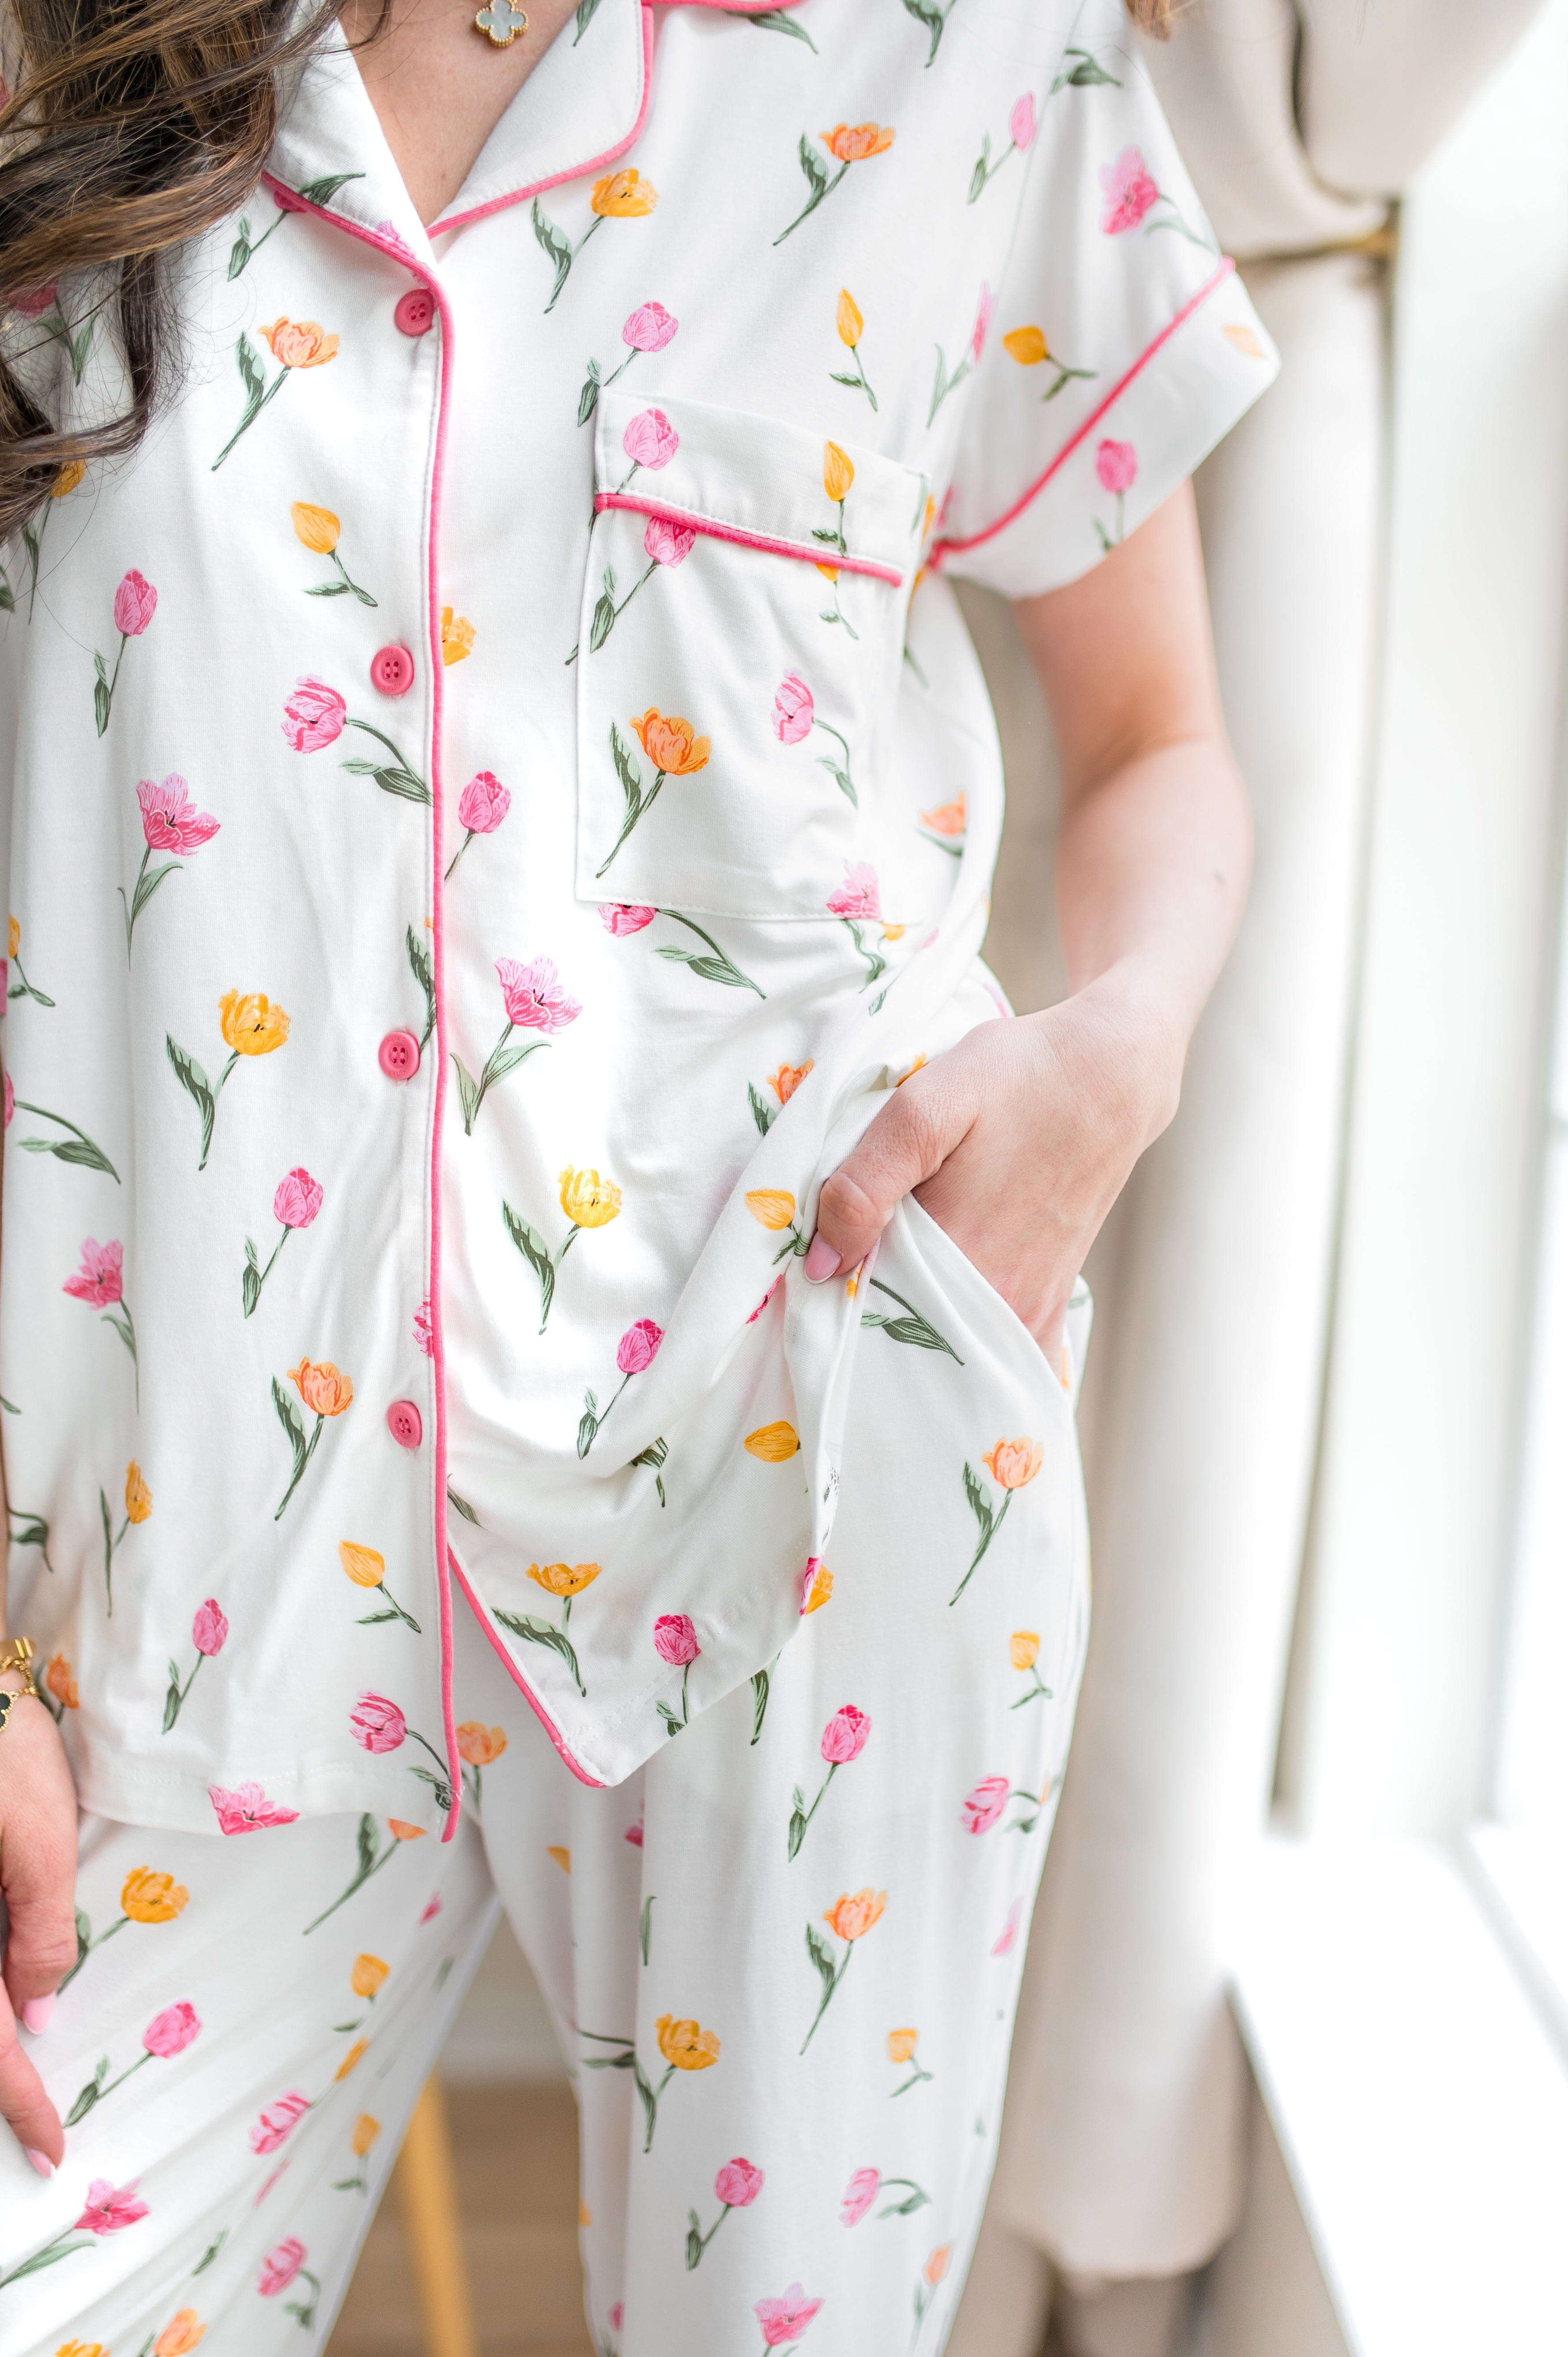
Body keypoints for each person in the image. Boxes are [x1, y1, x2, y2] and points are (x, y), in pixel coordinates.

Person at [0, 0, 1275, 2346]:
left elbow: (1157, 741)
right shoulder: (76, 58)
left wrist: (1114, 1064)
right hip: (147, 1564)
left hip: (807, 1478)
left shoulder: (964, 55)